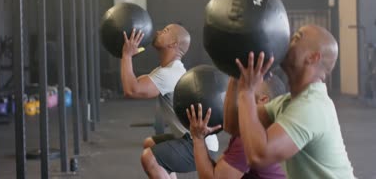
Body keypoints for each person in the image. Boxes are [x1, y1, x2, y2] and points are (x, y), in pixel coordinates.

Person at [231, 25, 355, 178]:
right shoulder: (287, 103)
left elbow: (258, 156)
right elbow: (233, 125)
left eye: (296, 38)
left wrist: (246, 92)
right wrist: (237, 71)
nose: (287, 41)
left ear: (312, 57)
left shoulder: (312, 106)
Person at [120, 24, 218, 179]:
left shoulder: (170, 74)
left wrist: (126, 56)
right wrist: (127, 59)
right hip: (191, 138)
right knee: (150, 143)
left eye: (165, 31)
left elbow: (131, 90)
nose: (158, 31)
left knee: (149, 158)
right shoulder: (167, 70)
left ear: (173, 44)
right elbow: (133, 83)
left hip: (200, 145)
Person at [187, 76, 287, 179]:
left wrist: (198, 138)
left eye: (247, 87)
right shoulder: (254, 129)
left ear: (262, 100)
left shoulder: (248, 138)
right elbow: (216, 171)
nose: (239, 91)